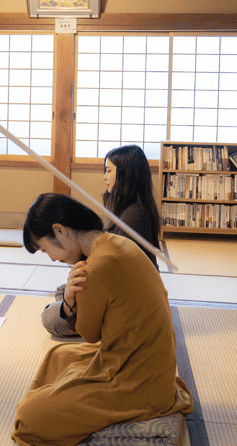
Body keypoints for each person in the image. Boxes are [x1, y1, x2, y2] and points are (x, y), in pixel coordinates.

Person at [12, 193, 193, 446]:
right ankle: (58, 396)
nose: (51, 257)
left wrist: (71, 301)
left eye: (44, 249)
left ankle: (56, 403)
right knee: (58, 356)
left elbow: (89, 335)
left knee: (28, 418)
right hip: (152, 367)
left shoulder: (94, 267)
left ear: (60, 231)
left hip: (138, 384)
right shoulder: (118, 243)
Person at [41, 144, 162, 337]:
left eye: (109, 171)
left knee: (50, 318)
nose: (105, 177)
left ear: (126, 173)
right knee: (63, 290)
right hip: (120, 288)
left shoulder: (135, 216)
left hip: (129, 299)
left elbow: (112, 267)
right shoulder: (128, 207)